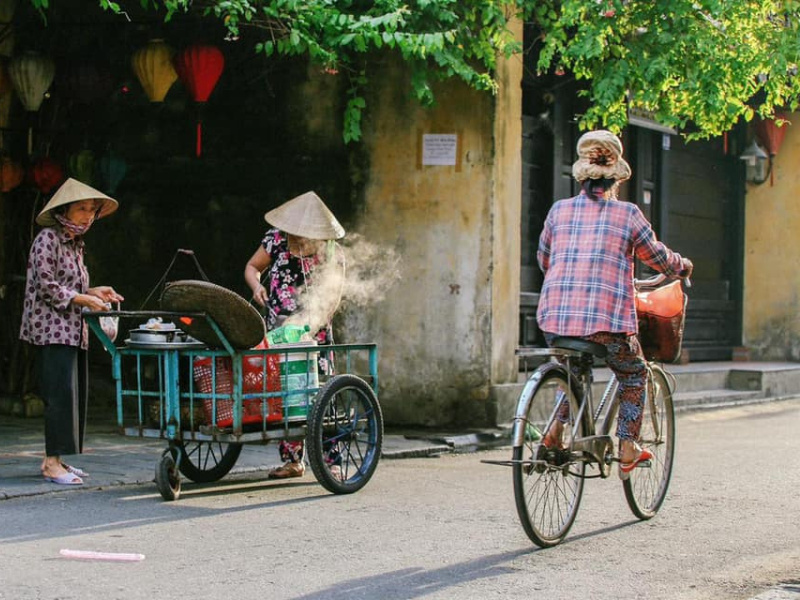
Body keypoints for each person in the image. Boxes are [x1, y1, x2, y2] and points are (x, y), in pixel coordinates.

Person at [536, 130, 693, 477]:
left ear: (582, 174)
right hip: (606, 325)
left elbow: (544, 259)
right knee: (634, 374)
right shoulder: (628, 214)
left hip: (555, 320)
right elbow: (658, 258)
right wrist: (682, 266)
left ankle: (555, 432)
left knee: (571, 372)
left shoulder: (558, 211)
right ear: (616, 177)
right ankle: (627, 446)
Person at [19, 178, 124, 485]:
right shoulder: (47, 239)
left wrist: (94, 291)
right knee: (59, 396)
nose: (88, 216)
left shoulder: (76, 244)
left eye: (92, 210)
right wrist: (83, 299)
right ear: (64, 210)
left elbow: (72, 285)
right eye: (81, 209)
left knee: (73, 395)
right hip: (51, 329)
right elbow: (47, 286)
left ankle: (59, 459)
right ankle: (51, 464)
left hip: (74, 330)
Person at [244, 191, 345, 479]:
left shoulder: (332, 251)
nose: (299, 237)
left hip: (315, 333)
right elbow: (252, 267)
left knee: (320, 394)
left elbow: (334, 296)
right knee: (285, 394)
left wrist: (309, 325)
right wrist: (256, 287)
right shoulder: (275, 239)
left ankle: (331, 461)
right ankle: (292, 460)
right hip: (279, 331)